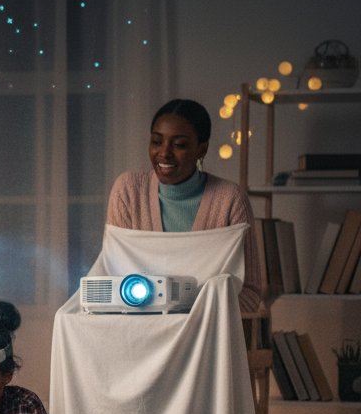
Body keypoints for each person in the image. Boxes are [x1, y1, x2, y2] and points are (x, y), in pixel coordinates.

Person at [106, 97, 263, 315]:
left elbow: (251, 291)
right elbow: (115, 277)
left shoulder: (230, 199)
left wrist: (198, 321)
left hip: (206, 338)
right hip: (141, 334)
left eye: (179, 144)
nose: (164, 153)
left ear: (202, 149)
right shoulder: (129, 191)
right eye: (156, 141)